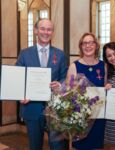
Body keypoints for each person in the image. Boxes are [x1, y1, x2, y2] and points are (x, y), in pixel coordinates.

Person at [16, 18, 68, 150]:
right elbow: (17, 79)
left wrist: (60, 85)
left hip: (55, 109)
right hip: (31, 108)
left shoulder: (60, 54)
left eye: (49, 29)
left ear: (52, 32)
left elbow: (64, 77)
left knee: (58, 146)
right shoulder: (24, 54)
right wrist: (20, 95)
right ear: (36, 31)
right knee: (35, 146)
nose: (46, 32)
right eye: (43, 28)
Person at [67, 32, 106, 150]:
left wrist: (108, 87)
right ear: (81, 46)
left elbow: (105, 87)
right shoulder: (74, 66)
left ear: (96, 45)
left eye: (91, 42)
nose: (88, 46)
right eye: (84, 43)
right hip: (81, 116)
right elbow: (67, 92)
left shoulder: (103, 65)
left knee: (97, 146)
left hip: (98, 116)